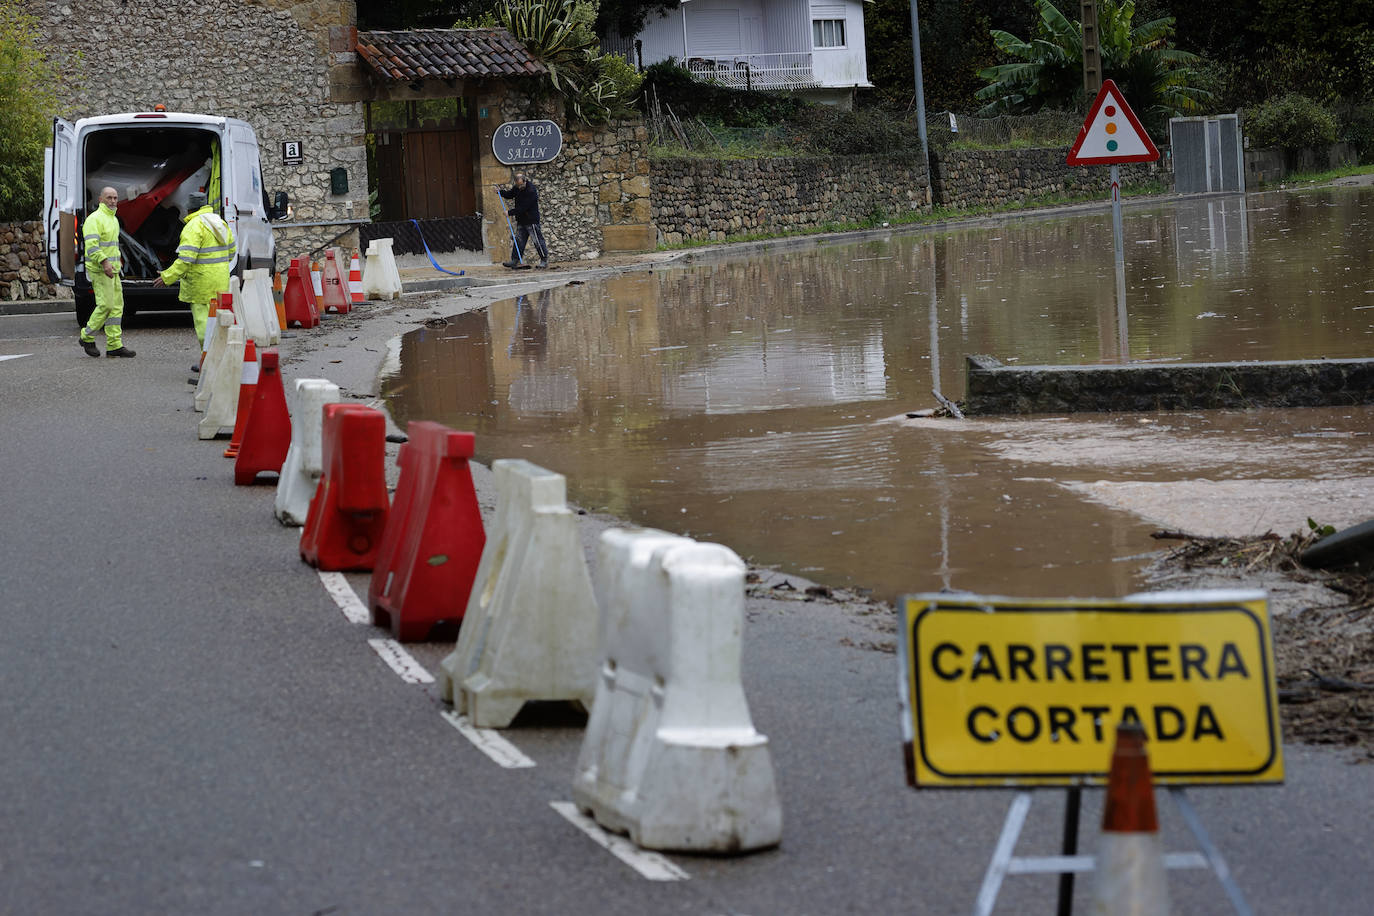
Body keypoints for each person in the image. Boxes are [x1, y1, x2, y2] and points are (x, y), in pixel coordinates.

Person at [153, 190, 235, 359]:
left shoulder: (194, 226)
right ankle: (222, 357)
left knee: (204, 325)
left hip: (201, 285)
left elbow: (185, 260)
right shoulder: (220, 223)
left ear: (190, 209)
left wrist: (167, 277)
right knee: (220, 322)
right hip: (220, 281)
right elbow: (232, 252)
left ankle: (209, 361)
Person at [78, 186, 135, 358]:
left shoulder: (113, 219)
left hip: (113, 270)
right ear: (100, 200)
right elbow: (92, 246)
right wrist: (104, 262)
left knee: (117, 308)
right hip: (100, 269)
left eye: (115, 198)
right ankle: (86, 336)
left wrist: (114, 263)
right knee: (106, 305)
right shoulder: (94, 219)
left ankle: (114, 345)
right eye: (109, 198)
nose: (112, 201)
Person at [498, 172, 550, 269]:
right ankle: (515, 260)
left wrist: (509, 212)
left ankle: (544, 260)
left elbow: (523, 208)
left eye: (521, 184)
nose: (519, 187)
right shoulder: (517, 188)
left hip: (531, 220)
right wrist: (500, 192)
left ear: (525, 181)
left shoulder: (531, 190)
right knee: (519, 241)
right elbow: (510, 194)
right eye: (518, 185)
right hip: (521, 220)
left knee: (537, 241)